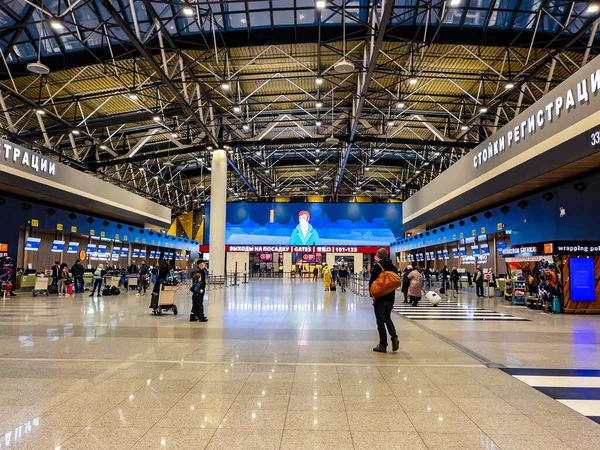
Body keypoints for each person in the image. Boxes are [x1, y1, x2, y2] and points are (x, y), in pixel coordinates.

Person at [369, 248, 399, 353]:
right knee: (388, 318)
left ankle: (383, 344)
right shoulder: (393, 267)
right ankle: (394, 337)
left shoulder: (378, 266)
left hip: (380, 297)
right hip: (390, 297)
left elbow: (372, 282)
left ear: (378, 255)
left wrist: (372, 295)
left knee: (380, 321)